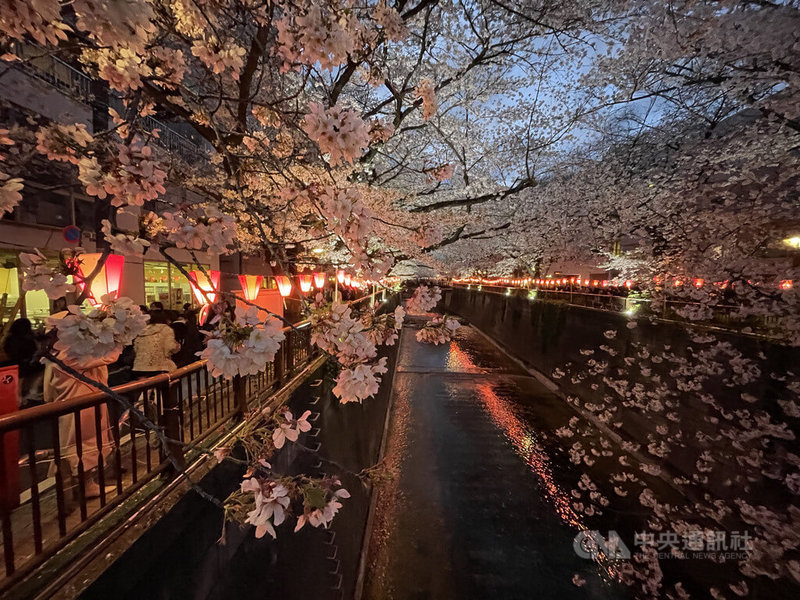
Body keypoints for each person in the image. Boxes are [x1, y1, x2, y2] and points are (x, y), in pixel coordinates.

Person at [43, 348, 120, 498]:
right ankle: (86, 486)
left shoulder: (54, 357)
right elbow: (109, 356)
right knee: (84, 445)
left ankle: (73, 489)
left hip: (69, 405)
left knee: (72, 445)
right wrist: (120, 338)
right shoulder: (72, 354)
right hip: (83, 406)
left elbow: (48, 393)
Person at [3, 318, 44, 408]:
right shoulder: (28, 339)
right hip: (27, 367)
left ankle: (19, 399)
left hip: (15, 366)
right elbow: (33, 352)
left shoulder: (10, 339)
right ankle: (33, 394)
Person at [132, 310, 180, 376]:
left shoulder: (142, 330)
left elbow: (135, 348)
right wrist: (177, 346)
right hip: (160, 367)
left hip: (139, 367)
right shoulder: (166, 329)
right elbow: (170, 347)